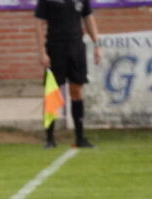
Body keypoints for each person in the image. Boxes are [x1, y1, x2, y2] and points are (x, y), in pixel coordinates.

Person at [35, 0, 102, 149]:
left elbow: (88, 17)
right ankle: (49, 138)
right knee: (52, 92)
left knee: (77, 90)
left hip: (76, 47)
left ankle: (80, 138)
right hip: (55, 48)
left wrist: (97, 44)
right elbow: (39, 23)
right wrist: (42, 52)